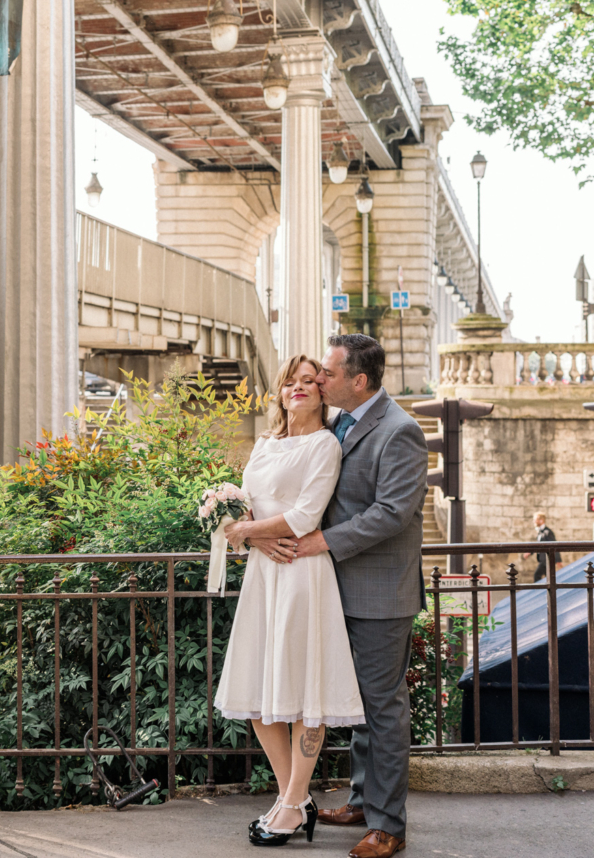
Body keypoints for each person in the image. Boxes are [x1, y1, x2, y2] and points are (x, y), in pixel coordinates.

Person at [254, 334, 429, 858]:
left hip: (378, 593)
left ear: (358, 380)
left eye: (328, 373)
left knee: (382, 709)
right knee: (350, 704)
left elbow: (392, 512)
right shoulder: (337, 425)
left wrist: (318, 542)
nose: (319, 380)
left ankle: (388, 826)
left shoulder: (401, 431)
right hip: (327, 588)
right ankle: (360, 802)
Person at [214, 354, 365, 848]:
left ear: (322, 393)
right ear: (280, 392)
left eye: (309, 382)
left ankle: (291, 804)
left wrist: (244, 531)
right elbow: (248, 510)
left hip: (301, 573)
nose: (298, 388)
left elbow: (306, 515)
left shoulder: (325, 445)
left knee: (305, 694)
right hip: (264, 573)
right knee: (259, 696)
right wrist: (250, 537)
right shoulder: (263, 443)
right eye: (290, 382)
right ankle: (293, 800)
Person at [522, 511, 560, 582]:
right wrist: (530, 552)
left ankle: (538, 592)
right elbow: (539, 545)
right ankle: (549, 592)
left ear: (541, 520)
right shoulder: (541, 532)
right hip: (544, 560)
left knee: (537, 575)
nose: (533, 521)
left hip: (546, 560)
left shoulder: (547, 532)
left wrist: (558, 560)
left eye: (535, 519)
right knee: (548, 579)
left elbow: (554, 545)